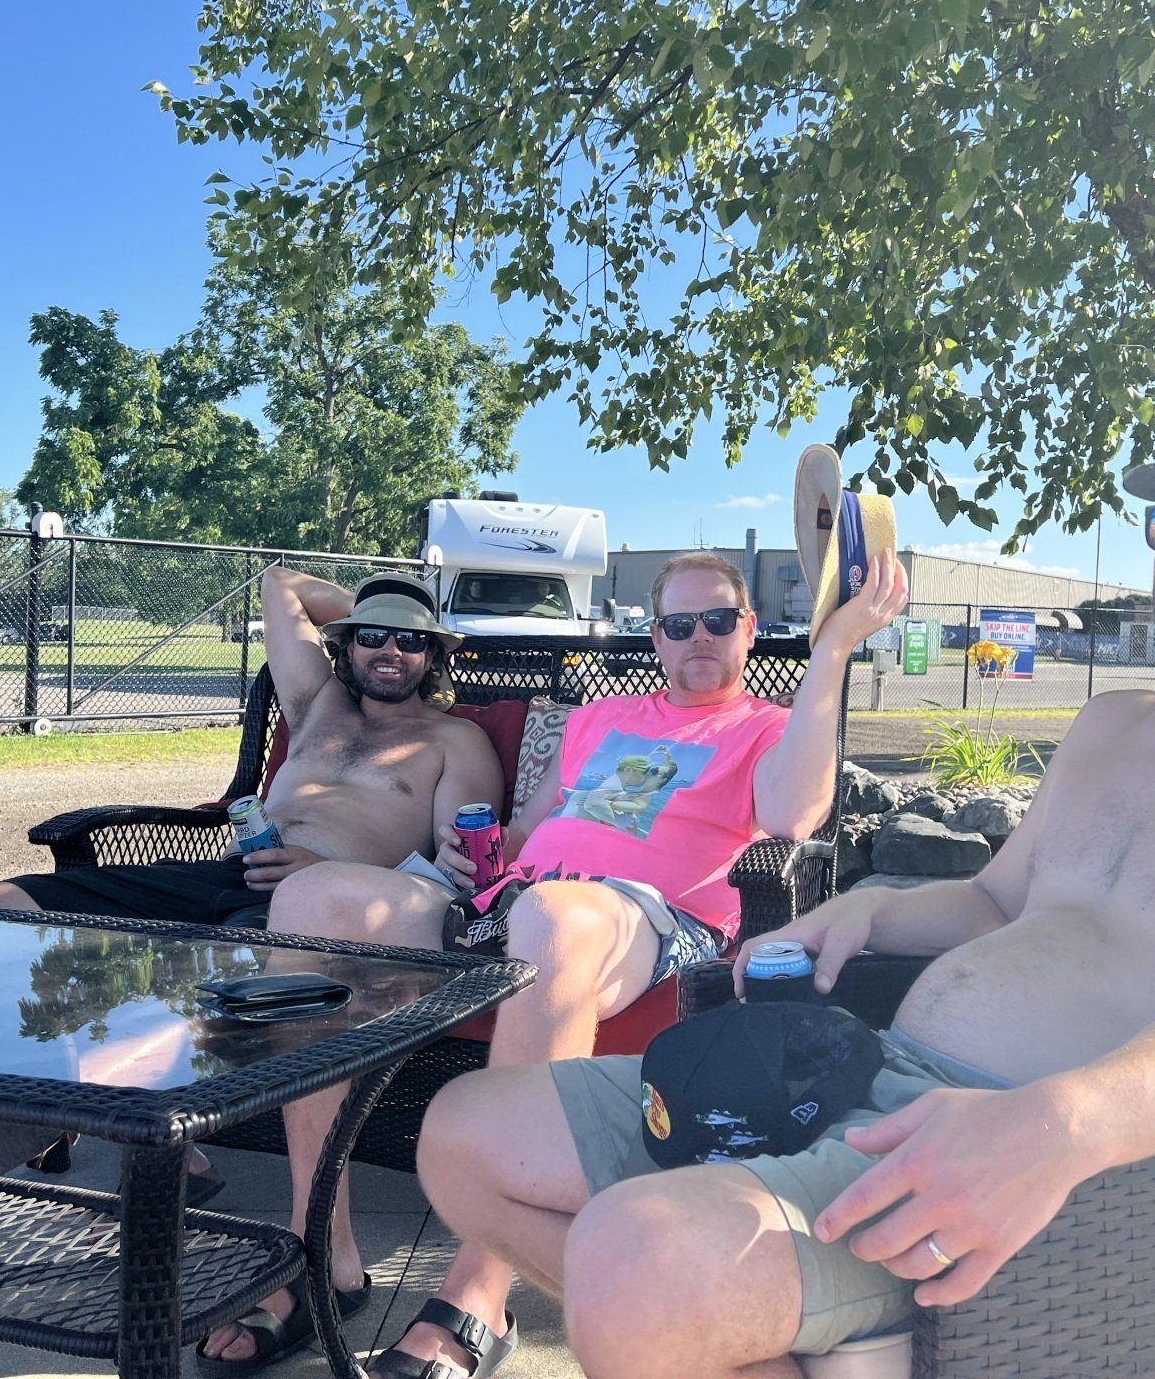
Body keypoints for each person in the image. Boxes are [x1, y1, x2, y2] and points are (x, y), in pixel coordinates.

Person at [415, 413, 1155, 1379]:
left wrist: (1063, 1122)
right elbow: (996, 902)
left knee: (633, 1261)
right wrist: (865, 910)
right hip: (872, 1075)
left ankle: (721, 1314)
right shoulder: (1115, 724)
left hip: (1035, 1153)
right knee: (463, 1138)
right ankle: (776, 1334)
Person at [196, 547, 907, 1376]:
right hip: (516, 900)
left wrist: (833, 649)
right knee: (310, 901)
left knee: (556, 917)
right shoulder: (601, 719)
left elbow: (792, 816)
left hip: (647, 918)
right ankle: (320, 1248)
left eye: (718, 620)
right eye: (680, 624)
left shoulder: (766, 728)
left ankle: (478, 1291)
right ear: (655, 635)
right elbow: (531, 830)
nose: (699, 637)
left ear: (748, 628)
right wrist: (476, 858)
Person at [0, 568, 505, 924]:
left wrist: (326, 873)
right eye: (371, 636)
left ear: (434, 658)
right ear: (345, 645)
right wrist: (375, 608)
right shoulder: (318, 705)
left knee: (231, 981)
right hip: (219, 876)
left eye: (411, 639)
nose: (390, 649)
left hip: (321, 907)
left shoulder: (456, 740)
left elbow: (455, 880)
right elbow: (280, 584)